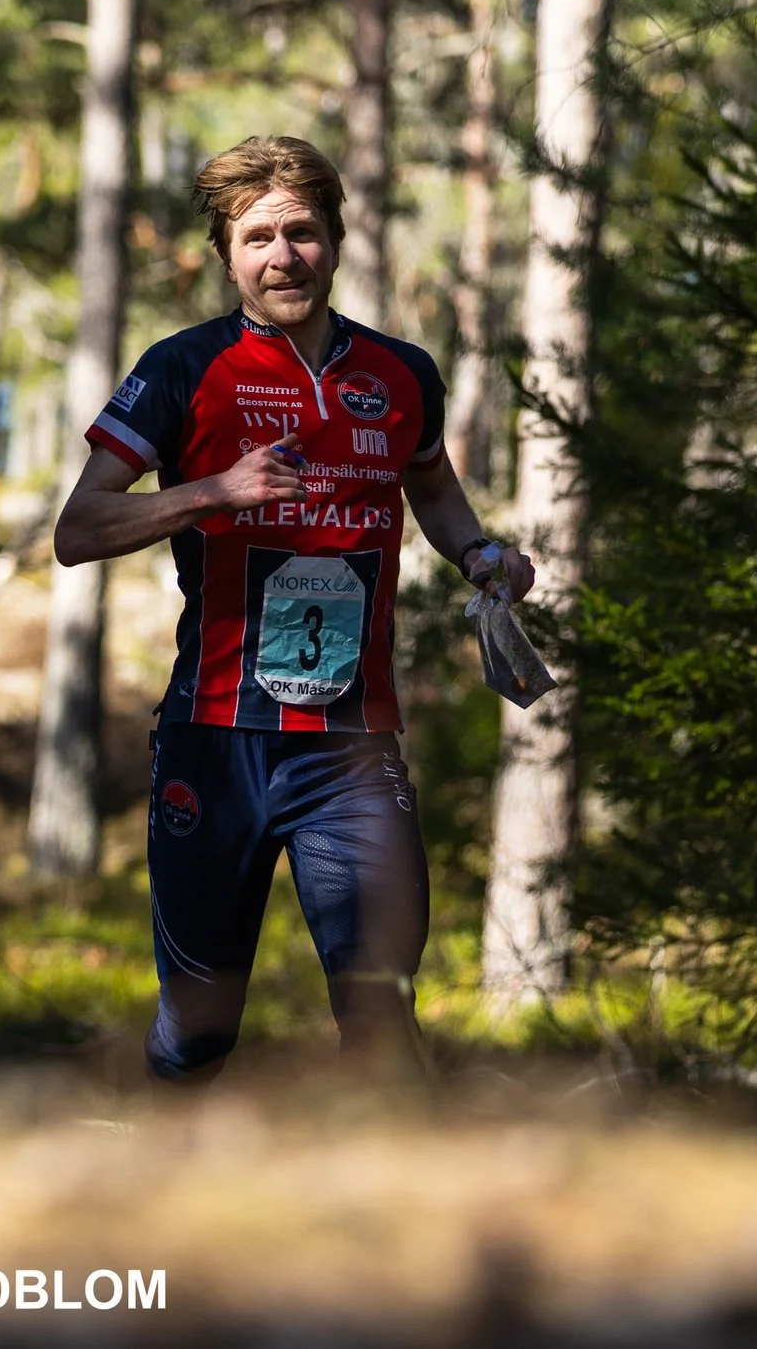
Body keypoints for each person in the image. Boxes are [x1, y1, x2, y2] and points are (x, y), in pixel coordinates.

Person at [52, 135, 535, 1082]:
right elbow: (79, 527)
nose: (284, 256)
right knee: (200, 1027)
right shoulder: (184, 367)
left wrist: (479, 553)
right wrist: (214, 491)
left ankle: (381, 1179)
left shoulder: (401, 374)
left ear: (338, 239)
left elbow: (433, 487)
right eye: (258, 238)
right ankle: (169, 1173)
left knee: (380, 1010)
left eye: (303, 232)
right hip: (214, 738)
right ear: (227, 256)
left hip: (350, 747)